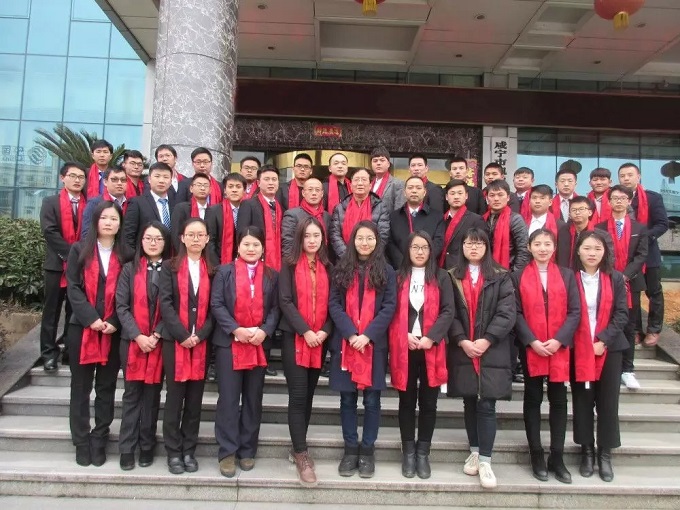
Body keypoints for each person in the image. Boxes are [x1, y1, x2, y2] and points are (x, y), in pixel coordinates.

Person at [447, 228, 516, 489]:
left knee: (486, 404)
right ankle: (474, 451)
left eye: (478, 243)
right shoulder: (452, 276)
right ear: (462, 247)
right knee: (469, 400)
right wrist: (461, 340)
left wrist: (487, 339)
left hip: (492, 348)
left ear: (487, 247)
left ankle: (486, 460)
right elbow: (449, 312)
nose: (473, 248)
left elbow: (507, 312)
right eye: (468, 243)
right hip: (463, 347)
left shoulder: (501, 276)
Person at [65, 200, 132, 466]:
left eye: (114, 219)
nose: (109, 223)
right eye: (104, 218)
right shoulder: (79, 249)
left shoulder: (126, 254)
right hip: (81, 328)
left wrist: (114, 320)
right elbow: (73, 288)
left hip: (113, 330)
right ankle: (81, 441)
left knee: (106, 387)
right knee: (80, 388)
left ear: (120, 224)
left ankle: (100, 437)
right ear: (95, 221)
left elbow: (130, 292)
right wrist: (91, 319)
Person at [329, 221, 397, 478]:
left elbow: (389, 307)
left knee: (372, 400)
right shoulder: (341, 269)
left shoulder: (387, 271)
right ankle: (350, 450)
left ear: (377, 241)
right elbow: (334, 305)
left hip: (373, 344)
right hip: (346, 343)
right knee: (347, 399)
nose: (365, 243)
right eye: (360, 238)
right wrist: (351, 333)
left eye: (370, 238)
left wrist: (367, 335)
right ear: (353, 241)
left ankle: (367, 451)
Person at [210, 227, 280, 478]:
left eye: (256, 245)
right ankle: (227, 451)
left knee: (253, 397)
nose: (251, 249)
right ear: (238, 246)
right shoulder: (224, 272)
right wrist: (235, 329)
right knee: (229, 398)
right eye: (247, 244)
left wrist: (265, 330)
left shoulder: (272, 275)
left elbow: (276, 308)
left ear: (263, 248)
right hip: (230, 343)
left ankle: (248, 449)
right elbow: (216, 303)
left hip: (258, 342)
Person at [512, 228, 580, 484]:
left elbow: (575, 311)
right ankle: (536, 453)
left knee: (559, 400)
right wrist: (532, 341)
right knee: (532, 399)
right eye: (537, 244)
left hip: (558, 347)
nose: (542, 248)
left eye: (547, 244)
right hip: (532, 347)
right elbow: (516, 312)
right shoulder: (518, 276)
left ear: (554, 248)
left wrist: (559, 340)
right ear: (529, 247)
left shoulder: (567, 275)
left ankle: (557, 456)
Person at [389, 231, 454, 479]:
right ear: (408, 250)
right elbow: (390, 310)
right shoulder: (397, 276)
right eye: (415, 247)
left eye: (424, 247)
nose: (419, 252)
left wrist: (432, 337)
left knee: (429, 403)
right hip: (404, 346)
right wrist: (403, 334)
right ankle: (408, 451)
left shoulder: (441, 276)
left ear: (431, 251)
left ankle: (423, 452)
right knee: (406, 402)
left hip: (431, 347)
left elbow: (448, 311)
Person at [571, 231, 629, 483]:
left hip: (610, 348)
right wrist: (584, 344)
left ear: (605, 251)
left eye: (597, 248)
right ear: (578, 250)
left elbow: (622, 314)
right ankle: (586, 452)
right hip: (578, 348)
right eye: (587, 248)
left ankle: (605, 454)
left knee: (608, 402)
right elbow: (567, 313)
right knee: (583, 401)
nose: (592, 253)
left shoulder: (615, 278)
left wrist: (603, 340)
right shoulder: (570, 278)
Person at [158, 218, 215, 474]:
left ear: (207, 239)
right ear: (181, 238)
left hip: (202, 341)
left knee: (194, 399)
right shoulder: (169, 267)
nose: (195, 239)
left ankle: (189, 449)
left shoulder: (212, 269)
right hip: (175, 341)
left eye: (200, 235)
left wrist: (200, 335)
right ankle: (173, 451)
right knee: (174, 397)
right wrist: (182, 335)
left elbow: (215, 307)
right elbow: (165, 303)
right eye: (190, 234)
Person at [278, 217, 333, 486]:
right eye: (307, 236)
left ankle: (296, 445)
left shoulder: (329, 267)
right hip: (295, 338)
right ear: (300, 238)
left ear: (323, 239)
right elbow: (285, 301)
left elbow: (335, 303)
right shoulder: (288, 266)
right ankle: (302, 454)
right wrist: (305, 331)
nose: (312, 240)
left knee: (309, 394)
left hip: (319, 339)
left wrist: (324, 331)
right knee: (298, 394)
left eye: (316, 236)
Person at [115, 221, 171, 470]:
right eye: (148, 238)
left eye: (158, 239)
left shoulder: (171, 269)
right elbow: (121, 307)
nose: (153, 243)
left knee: (152, 394)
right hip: (132, 342)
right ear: (141, 241)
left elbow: (172, 306)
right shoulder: (129, 269)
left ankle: (147, 445)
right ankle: (127, 447)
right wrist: (138, 335)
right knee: (132, 395)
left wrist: (157, 334)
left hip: (159, 341)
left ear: (165, 242)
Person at [595, 185, 648, 390]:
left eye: (622, 198)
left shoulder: (639, 228)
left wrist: (624, 276)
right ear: (608, 202)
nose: (618, 201)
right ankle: (607, 367)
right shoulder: (599, 228)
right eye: (614, 198)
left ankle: (627, 369)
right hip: (605, 281)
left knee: (628, 326)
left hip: (630, 283)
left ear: (629, 201)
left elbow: (641, 255)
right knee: (605, 323)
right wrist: (612, 275)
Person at [39, 162, 87, 371]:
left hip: (82, 266)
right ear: (62, 178)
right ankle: (49, 353)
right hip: (56, 266)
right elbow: (49, 231)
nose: (77, 180)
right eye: (72, 176)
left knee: (74, 310)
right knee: (52, 311)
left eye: (81, 177)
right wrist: (70, 254)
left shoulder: (89, 203)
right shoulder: (51, 202)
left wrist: (79, 258)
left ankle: (70, 351)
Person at [618, 162, 669, 347]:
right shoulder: (618, 198)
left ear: (638, 176)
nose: (626, 178)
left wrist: (642, 237)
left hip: (649, 254)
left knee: (654, 292)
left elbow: (662, 224)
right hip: (628, 257)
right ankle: (636, 330)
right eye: (622, 175)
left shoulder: (652, 198)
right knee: (633, 294)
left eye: (630, 175)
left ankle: (654, 329)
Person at [330, 167, 390, 259]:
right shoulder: (340, 208)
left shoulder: (380, 207)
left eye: (364, 180)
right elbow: (335, 235)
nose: (360, 183)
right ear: (351, 185)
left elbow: (383, 235)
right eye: (356, 180)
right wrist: (348, 257)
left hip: (372, 260)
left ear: (370, 185)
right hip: (345, 259)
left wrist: (368, 256)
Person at [387, 176, 444, 269]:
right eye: (410, 188)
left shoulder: (437, 216)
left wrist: (423, 260)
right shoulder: (394, 216)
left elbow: (438, 242)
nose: (414, 191)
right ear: (404, 192)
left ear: (424, 192)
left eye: (418, 188)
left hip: (428, 268)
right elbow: (390, 243)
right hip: (401, 268)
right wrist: (402, 263)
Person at [124, 162, 175, 248]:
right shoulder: (137, 203)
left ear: (170, 181)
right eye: (157, 176)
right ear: (149, 179)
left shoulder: (177, 204)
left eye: (165, 177)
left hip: (171, 254)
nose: (161, 180)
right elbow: (128, 235)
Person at [483, 179, 530, 272]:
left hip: (509, 271)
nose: (496, 199)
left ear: (508, 197)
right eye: (492, 195)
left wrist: (515, 273)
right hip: (486, 271)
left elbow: (523, 249)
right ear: (487, 198)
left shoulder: (515, 219)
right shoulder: (483, 219)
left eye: (500, 195)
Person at [440, 179, 487, 269]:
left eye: (460, 193)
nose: (456, 197)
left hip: (463, 268)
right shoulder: (440, 219)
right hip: (441, 269)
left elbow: (481, 247)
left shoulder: (476, 220)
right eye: (452, 193)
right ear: (446, 197)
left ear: (466, 196)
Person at [282, 178, 331, 260]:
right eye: (310, 190)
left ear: (322, 194)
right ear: (303, 193)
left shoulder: (327, 216)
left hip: (322, 261)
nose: (314, 193)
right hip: (299, 261)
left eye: (317, 190)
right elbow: (287, 244)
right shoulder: (292, 215)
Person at [206, 172, 247, 266]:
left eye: (238, 187)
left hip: (244, 262)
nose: (234, 190)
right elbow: (210, 241)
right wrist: (217, 266)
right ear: (224, 190)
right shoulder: (213, 211)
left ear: (244, 190)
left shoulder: (248, 210)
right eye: (230, 186)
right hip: (220, 262)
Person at [82, 167, 128, 238]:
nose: (119, 183)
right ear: (105, 182)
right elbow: (86, 233)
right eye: (114, 180)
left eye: (123, 180)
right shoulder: (94, 204)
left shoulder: (131, 204)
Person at [171, 173, 212, 251]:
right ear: (191, 188)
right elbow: (176, 234)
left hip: (208, 253)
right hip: (185, 252)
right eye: (199, 185)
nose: (202, 188)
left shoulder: (213, 210)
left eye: (206, 185)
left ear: (210, 190)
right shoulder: (181, 208)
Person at [369, 146, 405, 212]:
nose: (378, 163)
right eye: (375, 161)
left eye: (382, 160)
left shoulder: (398, 184)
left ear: (388, 164)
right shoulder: (369, 184)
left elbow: (399, 211)